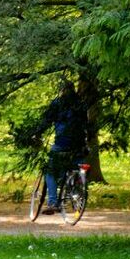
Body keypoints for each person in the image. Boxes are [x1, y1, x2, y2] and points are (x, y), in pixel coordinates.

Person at [40, 80, 87, 212]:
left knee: (50, 171)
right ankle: (77, 187)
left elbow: (46, 121)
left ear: (61, 90)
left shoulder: (57, 103)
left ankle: (53, 202)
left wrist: (37, 134)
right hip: (79, 145)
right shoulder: (81, 104)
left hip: (62, 144)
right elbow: (85, 124)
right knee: (77, 165)